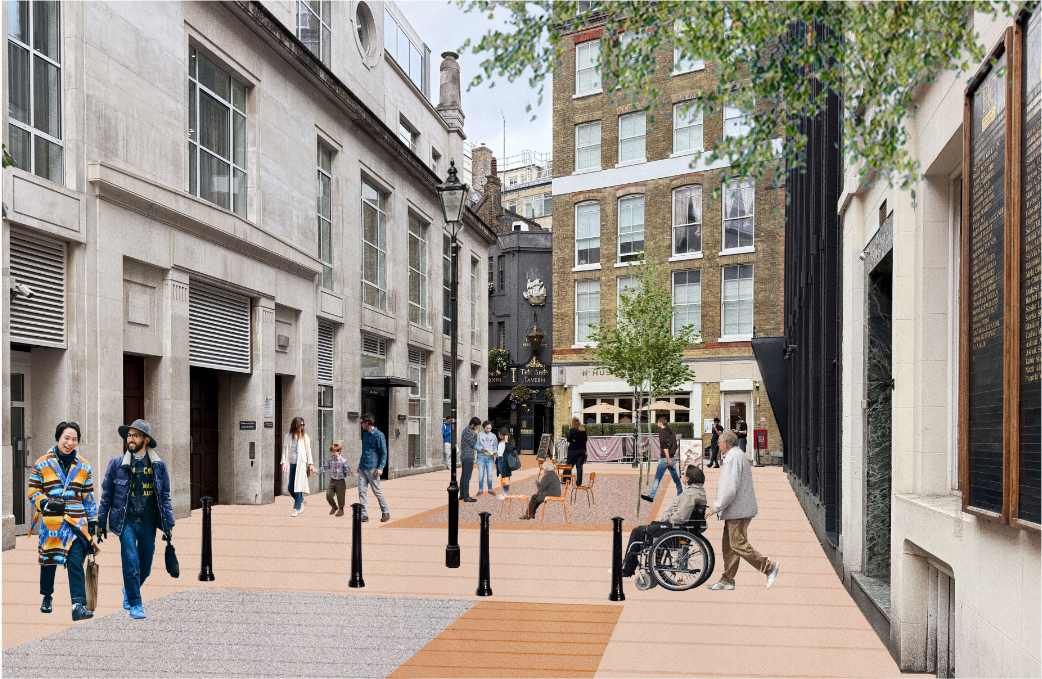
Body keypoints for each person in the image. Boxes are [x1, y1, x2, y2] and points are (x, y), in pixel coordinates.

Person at [96, 419, 175, 620]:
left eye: (135, 436)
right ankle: (136, 603)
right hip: (126, 521)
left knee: (145, 568)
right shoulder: (117, 464)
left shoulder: (158, 466)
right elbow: (107, 496)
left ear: (146, 440)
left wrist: (168, 523)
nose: (130, 439)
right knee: (131, 563)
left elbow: (164, 496)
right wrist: (100, 522)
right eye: (128, 436)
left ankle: (128, 591)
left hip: (149, 522)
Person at [28, 421, 99, 621]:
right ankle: (47, 596)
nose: (70, 442)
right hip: (52, 523)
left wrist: (92, 519)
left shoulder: (83, 466)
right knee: (48, 561)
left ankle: (78, 605)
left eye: (74, 439)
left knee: (76, 561)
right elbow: (33, 490)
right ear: (58, 438)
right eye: (66, 438)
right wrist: (45, 503)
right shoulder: (42, 463)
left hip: (76, 523)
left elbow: (88, 494)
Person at [706, 431, 780, 590]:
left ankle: (769, 567)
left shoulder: (733, 458)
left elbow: (729, 488)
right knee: (729, 545)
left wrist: (716, 507)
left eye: (719, 442)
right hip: (738, 509)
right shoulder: (736, 456)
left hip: (738, 511)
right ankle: (727, 580)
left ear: (726, 444)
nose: (718, 445)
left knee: (738, 544)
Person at [621, 464, 707, 577]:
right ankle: (636, 563)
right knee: (648, 528)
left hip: (675, 529)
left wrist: (666, 520)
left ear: (688, 479)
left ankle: (628, 567)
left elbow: (681, 517)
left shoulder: (690, 494)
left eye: (683, 474)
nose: (682, 476)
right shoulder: (698, 492)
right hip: (682, 529)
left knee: (637, 532)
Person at [641, 416, 682, 503]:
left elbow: (665, 447)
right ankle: (680, 494)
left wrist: (668, 459)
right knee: (676, 478)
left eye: (657, 422)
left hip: (665, 459)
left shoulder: (662, 433)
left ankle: (651, 496)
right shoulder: (672, 433)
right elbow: (676, 446)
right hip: (672, 457)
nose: (657, 424)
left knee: (657, 477)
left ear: (661, 423)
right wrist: (671, 458)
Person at [358, 413, 390, 522]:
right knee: (362, 491)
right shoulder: (365, 435)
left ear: (367, 423)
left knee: (376, 491)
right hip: (363, 467)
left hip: (373, 468)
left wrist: (380, 468)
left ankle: (385, 512)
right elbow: (364, 451)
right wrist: (359, 464)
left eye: (362, 423)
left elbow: (383, 453)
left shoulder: (379, 435)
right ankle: (364, 515)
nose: (361, 425)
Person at [280, 417, 314, 517]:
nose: (302, 427)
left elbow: (309, 451)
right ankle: (302, 501)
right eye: (300, 425)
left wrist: (310, 464)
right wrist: (283, 463)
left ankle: (296, 508)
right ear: (295, 425)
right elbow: (284, 450)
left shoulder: (305, 437)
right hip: (290, 464)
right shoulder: (288, 436)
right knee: (290, 487)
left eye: (303, 425)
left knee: (298, 486)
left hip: (301, 465)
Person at [313, 443, 353, 516]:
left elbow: (347, 468)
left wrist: (349, 472)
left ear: (339, 451)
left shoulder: (343, 460)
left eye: (334, 452)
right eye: (332, 452)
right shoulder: (330, 460)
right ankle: (334, 506)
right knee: (328, 495)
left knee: (340, 496)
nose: (333, 453)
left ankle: (341, 509)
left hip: (340, 481)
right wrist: (316, 470)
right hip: (332, 481)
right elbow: (324, 467)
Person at [523, 455, 562, 520]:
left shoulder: (547, 476)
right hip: (556, 493)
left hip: (550, 494)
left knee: (534, 497)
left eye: (544, 468)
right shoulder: (554, 474)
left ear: (546, 469)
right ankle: (532, 514)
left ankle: (528, 514)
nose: (543, 469)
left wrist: (537, 484)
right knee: (536, 498)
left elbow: (541, 488)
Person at [458, 417, 481, 503]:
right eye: (477, 426)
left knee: (464, 476)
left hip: (465, 456)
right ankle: (466, 496)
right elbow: (472, 443)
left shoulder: (466, 430)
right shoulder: (468, 431)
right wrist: (476, 435)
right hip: (468, 456)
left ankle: (462, 494)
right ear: (473, 425)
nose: (477, 428)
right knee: (467, 476)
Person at [475, 421, 498, 497]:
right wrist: (482, 449)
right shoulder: (479, 435)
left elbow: (495, 446)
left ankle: (490, 489)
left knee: (490, 475)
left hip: (490, 458)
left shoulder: (493, 436)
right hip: (481, 457)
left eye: (490, 428)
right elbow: (475, 446)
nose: (489, 430)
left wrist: (495, 452)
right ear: (483, 427)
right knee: (481, 474)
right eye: (487, 428)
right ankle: (480, 490)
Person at [565, 416, 588, 487]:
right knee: (579, 466)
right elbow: (585, 439)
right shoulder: (583, 430)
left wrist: (566, 435)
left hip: (573, 449)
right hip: (581, 450)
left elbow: (569, 439)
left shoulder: (572, 430)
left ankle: (566, 480)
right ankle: (578, 483)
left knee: (569, 465)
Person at [495, 427, 514, 499]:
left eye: (500, 435)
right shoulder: (500, 441)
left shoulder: (510, 441)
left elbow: (509, 451)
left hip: (505, 460)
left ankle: (507, 493)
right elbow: (499, 451)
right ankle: (503, 492)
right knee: (502, 476)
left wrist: (506, 441)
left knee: (506, 476)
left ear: (504, 435)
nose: (499, 436)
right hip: (499, 459)